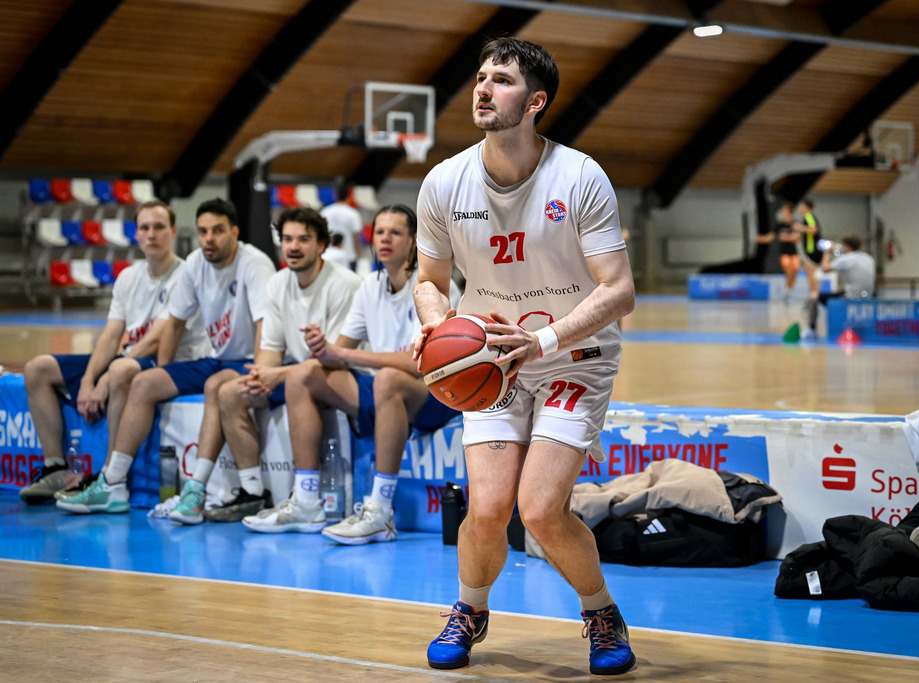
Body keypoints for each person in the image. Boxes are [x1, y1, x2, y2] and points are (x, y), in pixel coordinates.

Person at [413, 37, 637, 675]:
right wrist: (437, 329)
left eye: (502, 80)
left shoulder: (579, 176)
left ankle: (600, 612)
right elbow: (428, 281)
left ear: (535, 102)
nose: (483, 88)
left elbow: (619, 290)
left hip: (573, 355)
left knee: (539, 511)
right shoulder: (443, 182)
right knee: (487, 510)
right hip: (490, 362)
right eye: (481, 77)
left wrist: (543, 341)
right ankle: (470, 608)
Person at [243, 204, 462, 534]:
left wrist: (343, 353)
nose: (385, 239)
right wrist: (321, 347)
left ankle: (379, 512)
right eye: (380, 232)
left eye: (395, 232)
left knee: (388, 378)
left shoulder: (435, 287)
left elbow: (420, 363)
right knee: (303, 376)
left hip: (434, 392)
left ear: (414, 240)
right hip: (383, 390)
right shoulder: (369, 286)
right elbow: (337, 353)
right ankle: (306, 503)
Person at [56, 198, 276, 519]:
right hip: (214, 360)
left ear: (234, 232)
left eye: (218, 231)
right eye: (203, 231)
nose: (209, 239)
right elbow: (174, 324)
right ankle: (112, 483)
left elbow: (265, 327)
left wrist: (258, 371)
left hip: (246, 360)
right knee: (145, 383)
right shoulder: (196, 263)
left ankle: (195, 491)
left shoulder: (254, 264)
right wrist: (165, 373)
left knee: (215, 386)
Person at [21, 200, 206, 503]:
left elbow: (156, 341)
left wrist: (107, 376)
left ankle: (109, 479)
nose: (151, 234)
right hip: (130, 356)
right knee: (37, 369)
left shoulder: (184, 275)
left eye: (159, 227)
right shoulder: (128, 277)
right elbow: (110, 336)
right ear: (136, 234)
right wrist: (89, 379)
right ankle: (56, 468)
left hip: (168, 361)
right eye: (145, 228)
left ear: (173, 231)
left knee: (119, 370)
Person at [205, 207, 362, 522]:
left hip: (341, 376)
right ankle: (253, 491)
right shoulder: (278, 283)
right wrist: (262, 375)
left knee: (302, 377)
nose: (293, 247)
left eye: (303, 239)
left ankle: (306, 498)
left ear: (321, 245)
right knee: (230, 392)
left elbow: (336, 359)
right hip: (296, 373)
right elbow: (271, 348)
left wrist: (276, 374)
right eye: (287, 239)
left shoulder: (344, 284)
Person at [806, 234, 876, 338]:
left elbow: (825, 268)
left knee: (813, 297)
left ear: (846, 246)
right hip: (869, 296)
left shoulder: (845, 258)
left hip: (851, 296)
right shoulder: (868, 258)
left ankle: (811, 330)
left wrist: (827, 253)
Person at [320, 182, 364, 271]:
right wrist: (358, 255)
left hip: (328, 255)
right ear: (349, 197)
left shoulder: (325, 212)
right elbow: (356, 237)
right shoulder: (353, 214)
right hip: (349, 255)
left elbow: (320, 234)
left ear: (335, 196)